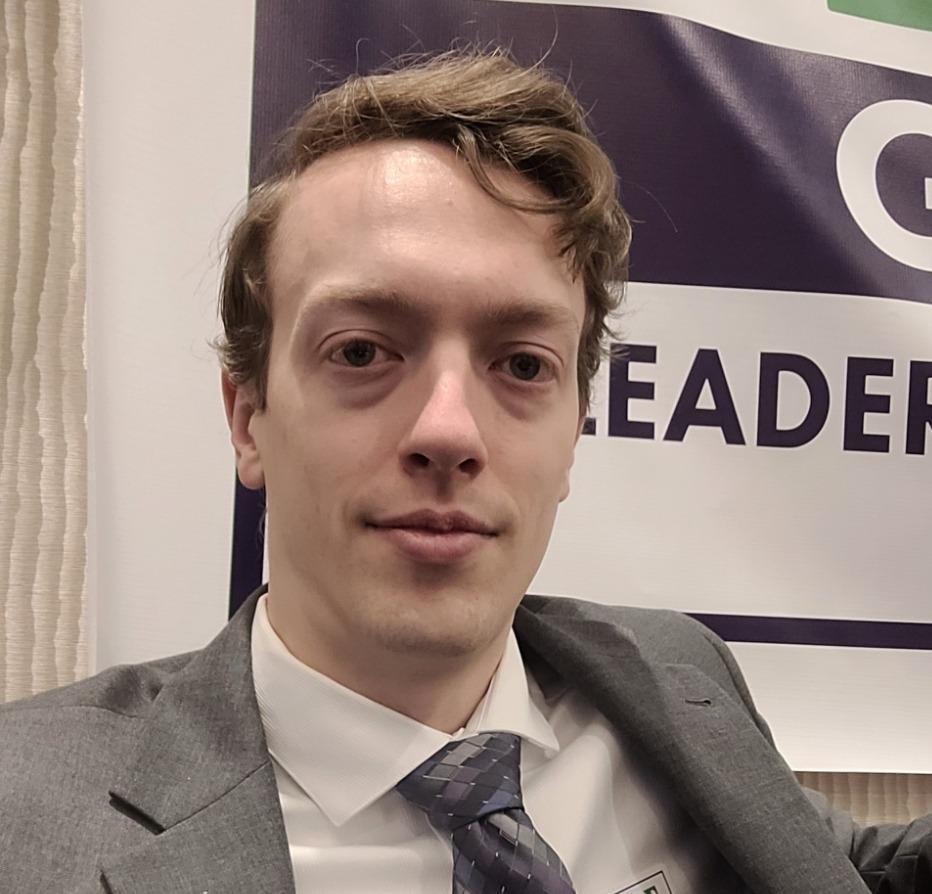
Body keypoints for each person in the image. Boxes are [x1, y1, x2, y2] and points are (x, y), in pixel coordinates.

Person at [0, 48, 928, 894]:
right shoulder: (27, 816)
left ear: (575, 432)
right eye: (362, 352)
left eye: (522, 364)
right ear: (248, 417)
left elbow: (846, 868)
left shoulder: (675, 672)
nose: (448, 431)